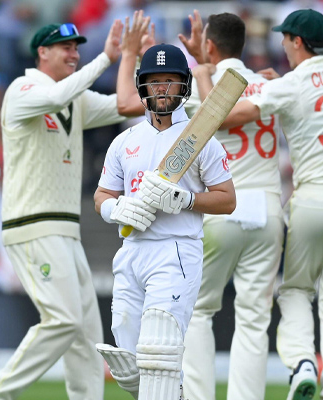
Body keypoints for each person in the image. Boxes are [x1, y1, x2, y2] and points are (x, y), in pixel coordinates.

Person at [195, 8, 323, 400]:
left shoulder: (292, 84)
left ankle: (301, 362)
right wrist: (270, 84)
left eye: (285, 39)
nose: (281, 45)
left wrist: (204, 73)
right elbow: (319, 88)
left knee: (295, 291)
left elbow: (222, 118)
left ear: (296, 42)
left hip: (315, 201)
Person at [0, 14, 151, 400]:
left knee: (86, 333)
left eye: (76, 49)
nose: (73, 54)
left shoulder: (76, 99)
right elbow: (54, 97)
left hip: (67, 230)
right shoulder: (22, 89)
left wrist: (135, 59)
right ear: (42, 52)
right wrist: (104, 58)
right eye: (66, 48)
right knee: (64, 320)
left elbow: (125, 105)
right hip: (33, 225)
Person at [94, 43, 236, 400]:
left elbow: (227, 199)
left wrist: (186, 199)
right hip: (131, 251)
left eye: (170, 81)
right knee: (131, 359)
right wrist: (116, 209)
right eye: (155, 81)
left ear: (184, 86)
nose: (162, 89)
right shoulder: (124, 141)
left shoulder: (201, 140)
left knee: (159, 351)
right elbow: (102, 195)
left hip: (176, 252)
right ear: (143, 86)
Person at [177, 11, 285, 400]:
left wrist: (199, 65)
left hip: (221, 208)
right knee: (255, 319)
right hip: (269, 209)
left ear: (208, 45)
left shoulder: (197, 87)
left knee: (198, 311)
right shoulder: (271, 85)